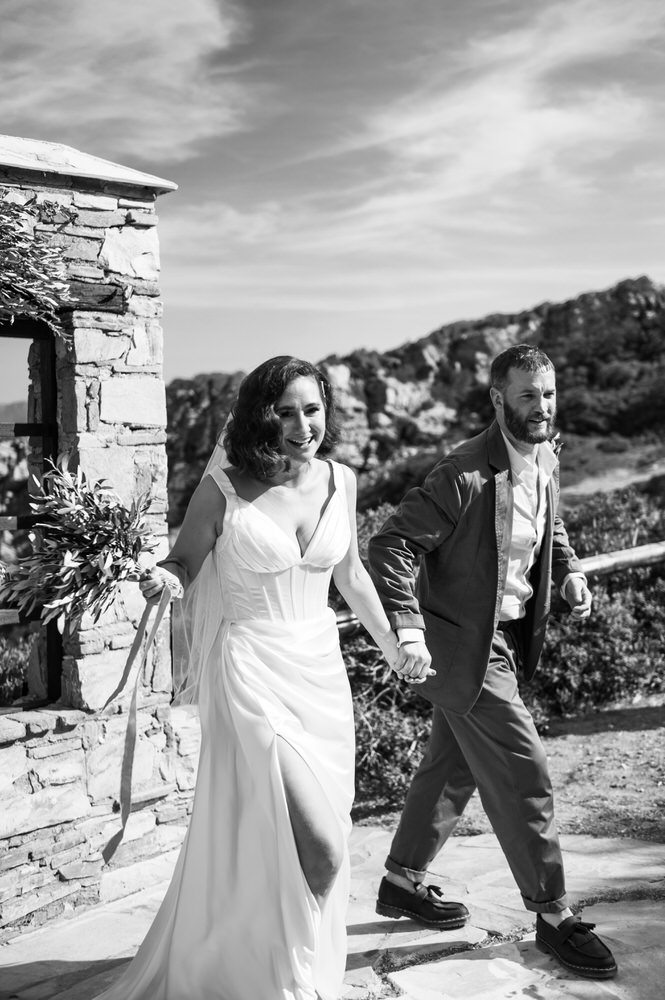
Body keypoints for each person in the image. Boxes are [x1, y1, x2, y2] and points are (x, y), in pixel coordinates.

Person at [95, 356, 401, 1000]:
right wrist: (169, 576)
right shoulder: (225, 488)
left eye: (312, 409)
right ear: (261, 416)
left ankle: (277, 971)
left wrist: (397, 646)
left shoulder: (340, 482)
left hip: (319, 674)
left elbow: (351, 579)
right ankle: (295, 985)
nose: (301, 425)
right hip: (251, 673)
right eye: (285, 411)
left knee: (307, 838)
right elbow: (184, 560)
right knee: (321, 847)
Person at [367, 344, 618, 981]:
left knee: (452, 768)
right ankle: (553, 912)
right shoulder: (464, 473)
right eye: (528, 395)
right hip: (464, 646)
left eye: (549, 393)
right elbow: (391, 542)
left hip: (502, 637)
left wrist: (569, 574)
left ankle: (401, 879)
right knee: (522, 769)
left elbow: (548, 526)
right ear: (499, 400)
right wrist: (408, 627)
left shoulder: (546, 455)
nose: (542, 406)